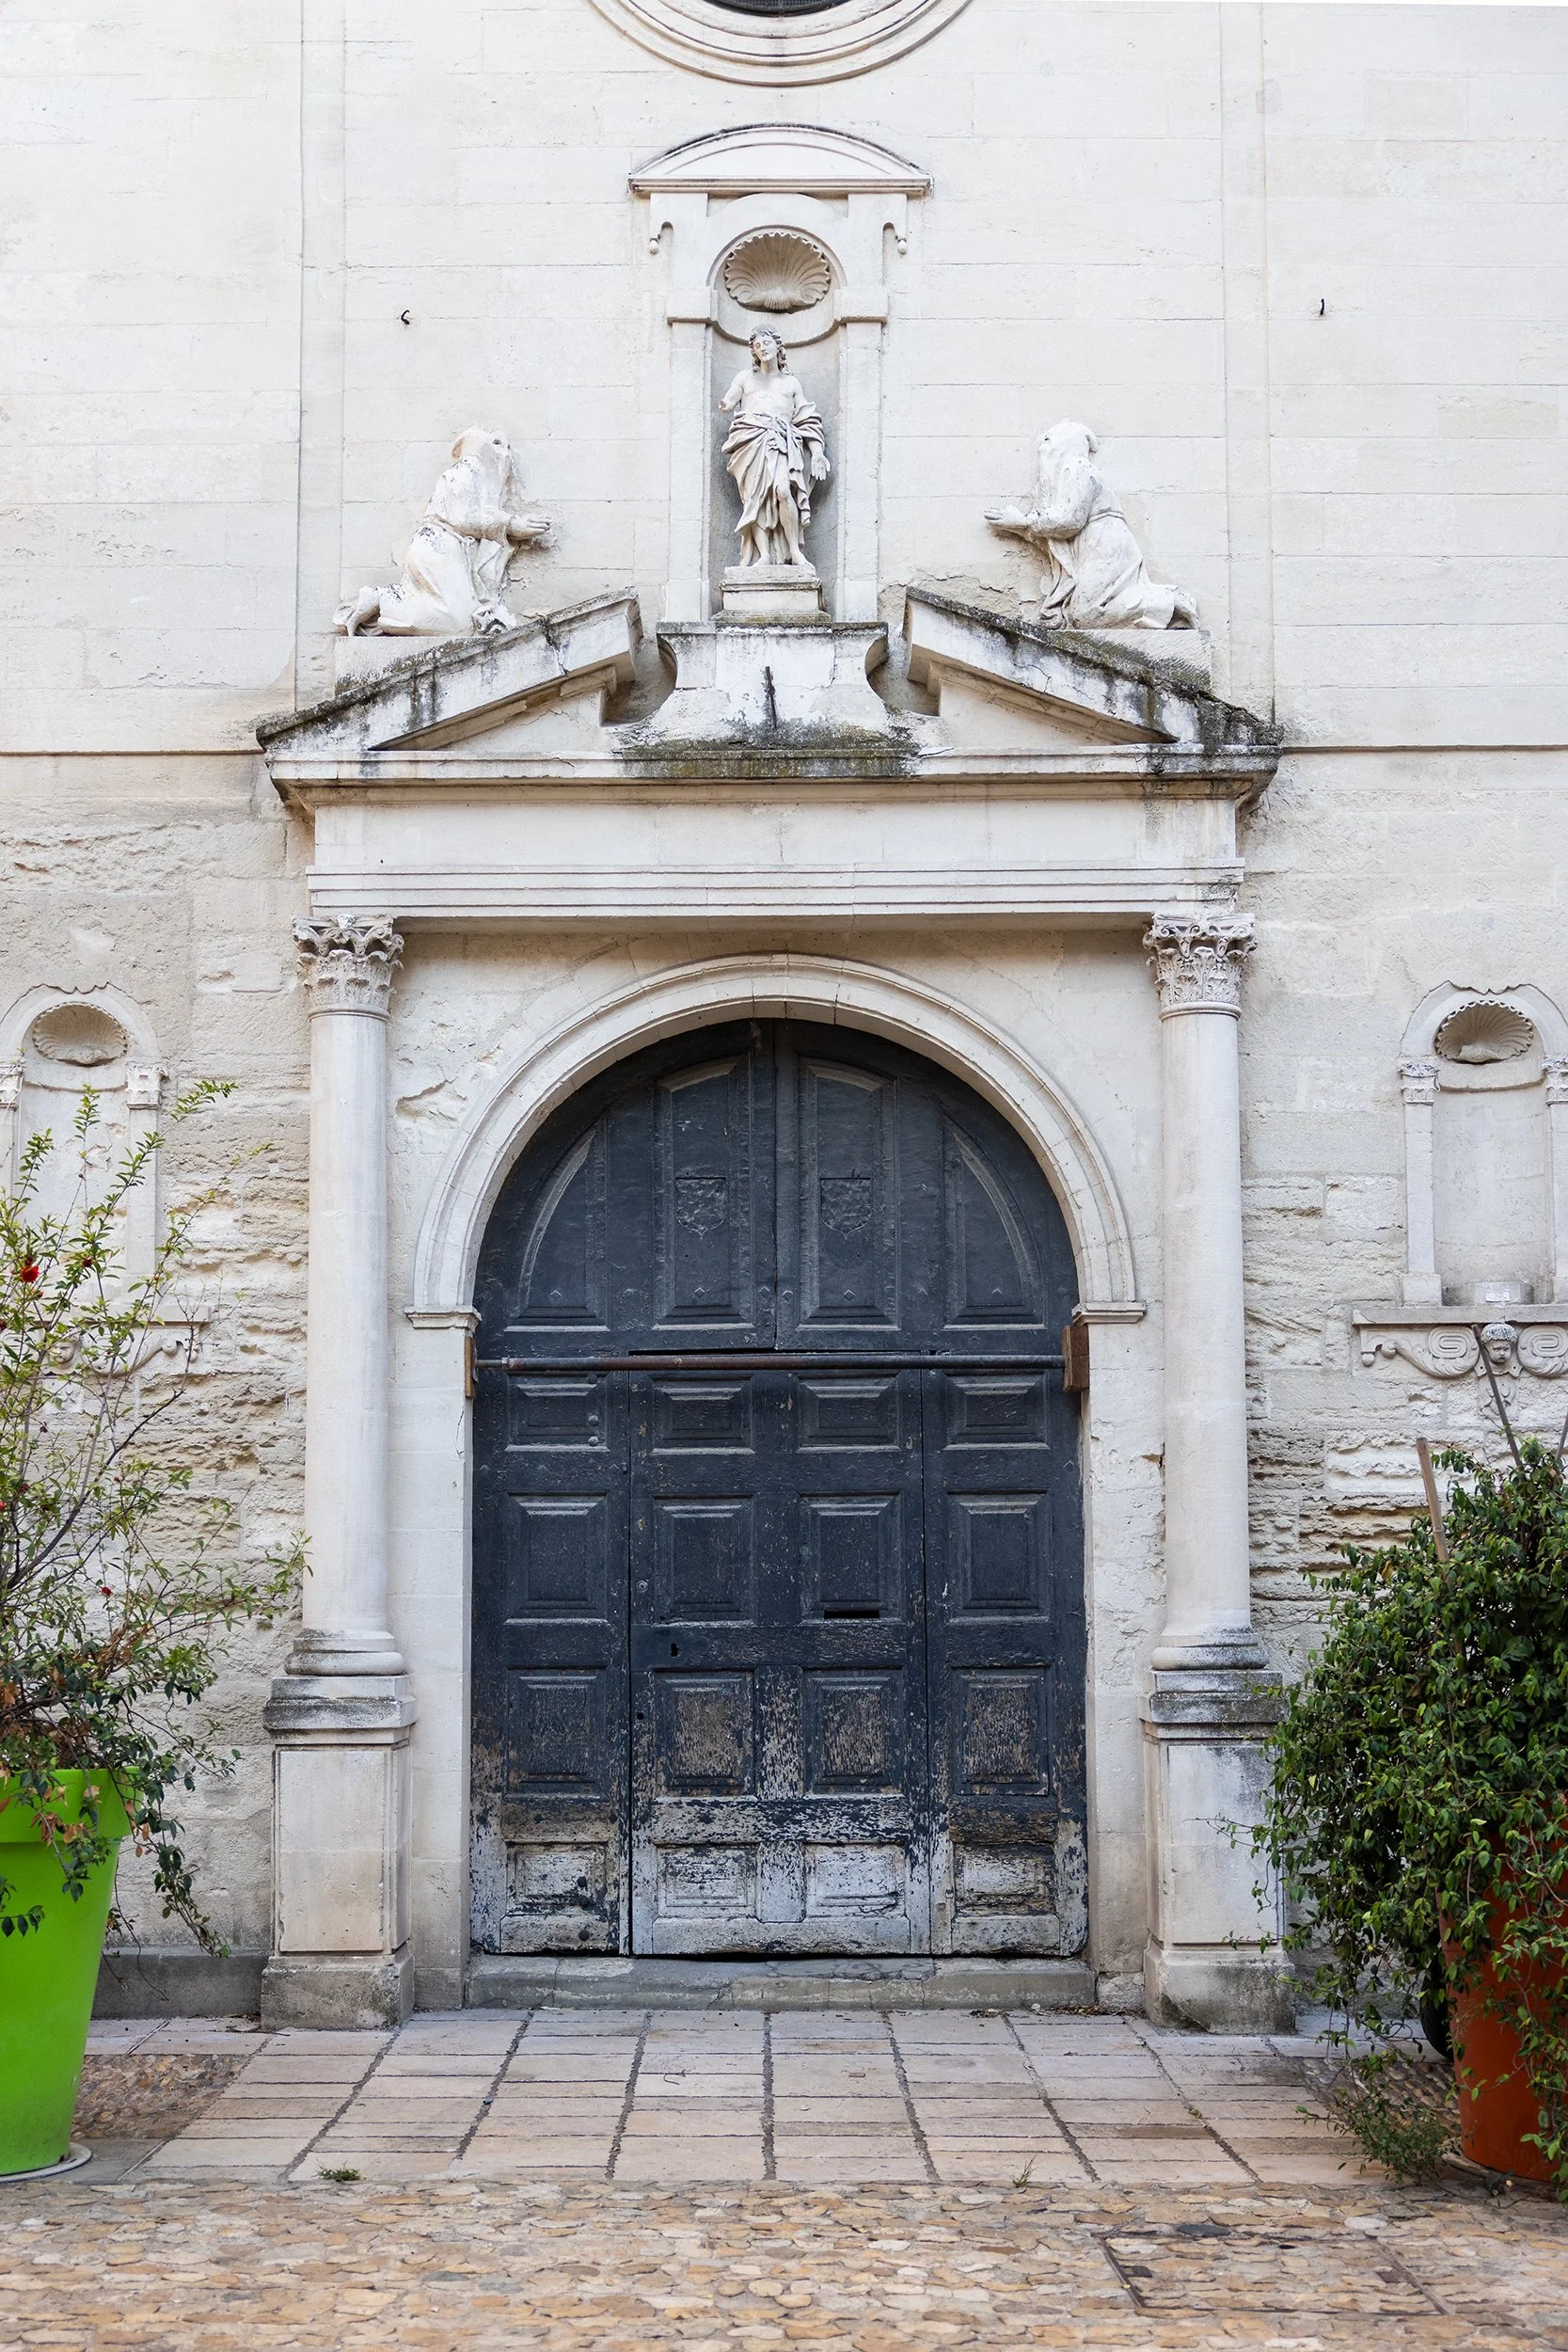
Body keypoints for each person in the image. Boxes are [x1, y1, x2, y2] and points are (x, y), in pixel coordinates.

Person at [335, 427, 550, 636]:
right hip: (439, 546)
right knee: (458, 623)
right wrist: (511, 524)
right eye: (496, 444)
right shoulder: (467, 469)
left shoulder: (482, 479)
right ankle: (381, 599)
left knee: (459, 619)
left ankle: (382, 604)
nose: (505, 453)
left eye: (507, 447)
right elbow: (463, 515)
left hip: (449, 548)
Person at [988, 420, 1197, 630]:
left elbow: (1069, 521)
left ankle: (1170, 601)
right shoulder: (1068, 475)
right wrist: (1020, 526)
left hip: (1105, 545)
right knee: (1086, 613)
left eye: (1048, 441)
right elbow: (1060, 530)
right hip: (1095, 545)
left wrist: (1024, 521)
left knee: (1087, 613)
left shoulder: (1078, 467)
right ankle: (1163, 606)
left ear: (1065, 444)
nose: (1042, 448)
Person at [718, 330, 830, 569]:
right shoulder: (745, 378)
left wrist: (817, 452)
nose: (762, 348)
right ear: (753, 352)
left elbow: (807, 418)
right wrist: (726, 403)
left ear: (778, 347)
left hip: (781, 441)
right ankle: (764, 555)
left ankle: (794, 551)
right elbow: (731, 398)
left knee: (782, 490)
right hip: (751, 439)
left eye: (766, 342)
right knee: (754, 498)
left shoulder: (790, 383)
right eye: (757, 345)